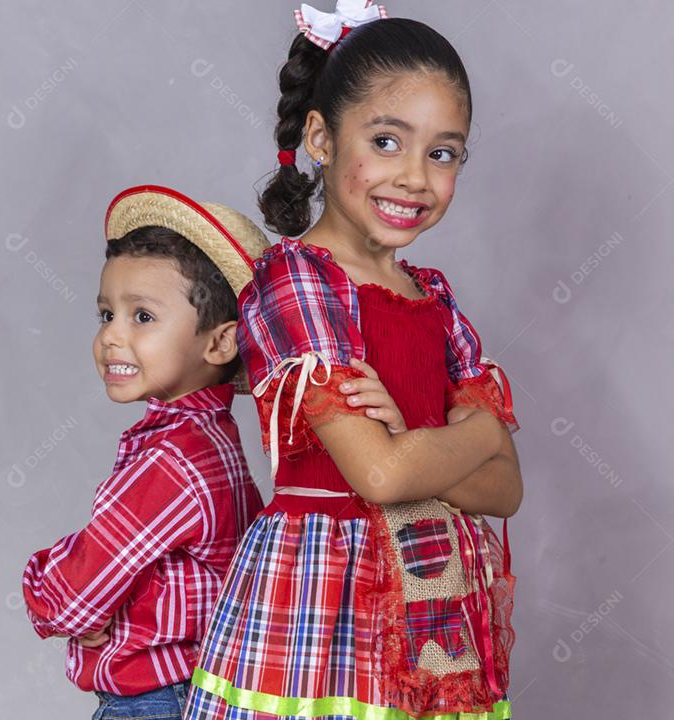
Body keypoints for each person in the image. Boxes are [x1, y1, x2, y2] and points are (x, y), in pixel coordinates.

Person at [183, 3, 522, 719]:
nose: (415, 177)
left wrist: (414, 449)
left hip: (433, 597)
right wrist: (478, 437)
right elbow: (379, 473)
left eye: (443, 153)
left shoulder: (435, 299)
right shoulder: (297, 282)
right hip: (320, 601)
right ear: (321, 137)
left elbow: (505, 493)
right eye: (387, 141)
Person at [22, 185, 269, 719]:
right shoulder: (213, 440)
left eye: (142, 317)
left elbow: (74, 595)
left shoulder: (170, 461)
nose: (111, 336)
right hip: (198, 691)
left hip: (155, 703)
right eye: (106, 314)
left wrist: (44, 588)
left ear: (221, 344)